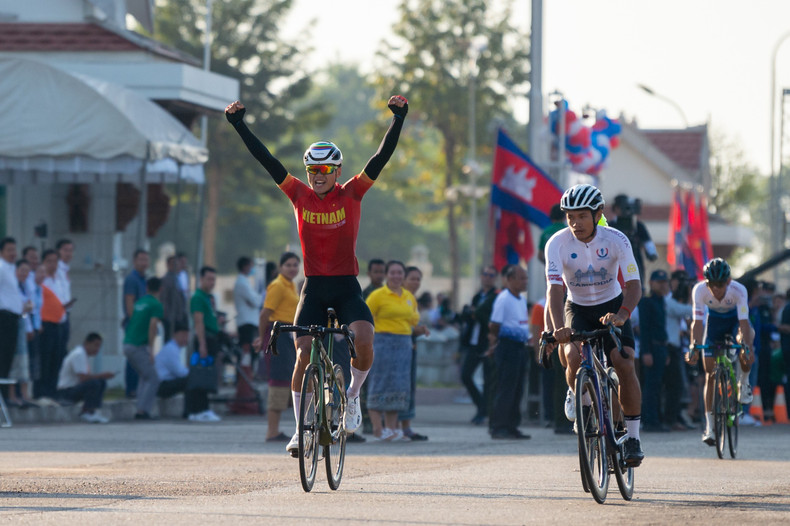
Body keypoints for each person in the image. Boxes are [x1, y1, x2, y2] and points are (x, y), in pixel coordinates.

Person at [226, 93, 408, 454]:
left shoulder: (352, 193)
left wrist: (398, 119)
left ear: (336, 171)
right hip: (313, 288)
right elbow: (268, 160)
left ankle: (353, 396)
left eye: (324, 171)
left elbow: (380, 158)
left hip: (345, 287)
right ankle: (298, 431)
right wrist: (239, 126)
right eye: (312, 171)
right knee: (303, 355)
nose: (317, 177)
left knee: (364, 339)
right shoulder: (298, 195)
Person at [543, 184, 644, 467]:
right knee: (572, 355)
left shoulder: (617, 239)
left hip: (612, 306)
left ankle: (633, 436)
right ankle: (579, 395)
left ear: (598, 213)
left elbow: (634, 285)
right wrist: (558, 328)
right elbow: (553, 290)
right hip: (577, 306)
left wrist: (623, 315)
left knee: (623, 361)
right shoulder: (557, 243)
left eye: (582, 216)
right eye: (570, 217)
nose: (576, 223)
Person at [686, 258, 755, 445]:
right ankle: (710, 428)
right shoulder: (699, 290)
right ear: (706, 282)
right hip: (713, 323)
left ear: (728, 281)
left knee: (746, 343)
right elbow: (697, 323)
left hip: (734, 321)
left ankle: (744, 381)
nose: (716, 289)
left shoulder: (739, 290)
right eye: (712, 284)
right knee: (710, 374)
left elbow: (743, 323)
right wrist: (693, 346)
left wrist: (746, 346)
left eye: (720, 284)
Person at [365, 260, 421, 441]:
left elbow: (413, 320)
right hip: (382, 342)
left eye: (399, 273)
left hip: (404, 344)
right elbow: (366, 317)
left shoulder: (408, 297)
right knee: (379, 382)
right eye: (393, 272)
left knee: (399, 385)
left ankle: (391, 428)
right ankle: (377, 428)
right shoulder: (378, 295)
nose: (396, 276)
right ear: (387, 275)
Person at [255, 252, 300, 442]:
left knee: (286, 380)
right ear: (281, 267)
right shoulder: (278, 285)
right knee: (278, 382)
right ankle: (271, 431)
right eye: (288, 265)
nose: (292, 268)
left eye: (295, 265)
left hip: (288, 334)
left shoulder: (291, 286)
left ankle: (277, 430)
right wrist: (260, 338)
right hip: (277, 334)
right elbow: (264, 314)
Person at [486, 264, 531, 440]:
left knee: (517, 389)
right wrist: (496, 342)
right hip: (507, 346)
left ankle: (512, 425)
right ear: (510, 279)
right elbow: (494, 324)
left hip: (519, 347)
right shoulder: (503, 298)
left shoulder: (519, 299)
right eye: (522, 278)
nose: (525, 281)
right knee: (506, 388)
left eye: (526, 278)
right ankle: (499, 426)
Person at [459, 264, 499, 426]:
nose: (488, 278)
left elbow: (490, 317)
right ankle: (481, 406)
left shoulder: (496, 296)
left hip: (487, 341)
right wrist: (469, 313)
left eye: (491, 275)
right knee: (466, 375)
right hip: (474, 342)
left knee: (488, 378)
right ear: (481, 277)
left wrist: (477, 313)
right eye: (485, 274)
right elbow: (471, 316)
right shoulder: (477, 296)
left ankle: (484, 412)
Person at [123, 277, 163, 420]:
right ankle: (142, 411)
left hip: (127, 343)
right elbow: (153, 326)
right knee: (153, 378)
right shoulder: (156, 305)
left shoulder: (139, 303)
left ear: (146, 288)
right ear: (160, 289)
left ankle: (141, 408)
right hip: (138, 346)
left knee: (144, 377)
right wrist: (152, 350)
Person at [397, 265, 430, 440]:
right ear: (403, 280)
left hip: (410, 346)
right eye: (412, 278)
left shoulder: (411, 299)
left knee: (409, 386)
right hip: (396, 347)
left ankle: (406, 426)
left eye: (418, 279)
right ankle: (394, 427)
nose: (416, 282)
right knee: (398, 385)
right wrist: (415, 330)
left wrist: (418, 329)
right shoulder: (398, 297)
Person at [56, 333, 116, 423]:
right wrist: (102, 375)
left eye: (99, 346)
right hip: (66, 392)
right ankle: (87, 412)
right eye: (95, 345)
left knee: (100, 382)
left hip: (74, 388)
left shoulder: (83, 355)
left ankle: (93, 411)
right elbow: (83, 378)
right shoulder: (79, 354)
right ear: (87, 343)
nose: (97, 349)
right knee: (95, 383)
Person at [638, 269, 671, 432]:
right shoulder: (646, 302)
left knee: (658, 386)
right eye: (659, 282)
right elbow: (645, 329)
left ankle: (656, 419)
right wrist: (646, 352)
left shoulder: (661, 301)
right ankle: (650, 421)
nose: (663, 285)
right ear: (651, 283)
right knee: (650, 387)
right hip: (652, 347)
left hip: (661, 347)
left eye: (665, 282)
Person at [189, 266, 222, 422]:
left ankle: (202, 409)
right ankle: (199, 409)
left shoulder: (209, 298)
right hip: (205, 339)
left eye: (213, 279)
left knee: (207, 374)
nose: (211, 282)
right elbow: (198, 322)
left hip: (212, 337)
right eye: (209, 279)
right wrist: (202, 344)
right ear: (201, 279)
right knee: (201, 375)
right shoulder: (198, 297)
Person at [610, 194, 658, 288]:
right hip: (614, 269)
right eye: (624, 207)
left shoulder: (638, 226)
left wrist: (651, 252)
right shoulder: (610, 226)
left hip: (635, 267)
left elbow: (649, 246)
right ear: (615, 208)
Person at [8, 259, 36, 408]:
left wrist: (30, 329)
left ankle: (25, 396)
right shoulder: (10, 286)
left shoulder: (26, 286)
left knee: (24, 362)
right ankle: (12, 396)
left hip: (23, 326)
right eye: (22, 270)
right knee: (14, 362)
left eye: (27, 271)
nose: (24, 274)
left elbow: (29, 309)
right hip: (12, 325)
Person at [123, 248, 150, 398]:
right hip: (135, 326)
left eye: (146, 260)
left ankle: (139, 388)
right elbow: (130, 305)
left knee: (141, 359)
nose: (144, 263)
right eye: (141, 260)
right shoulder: (131, 279)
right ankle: (131, 389)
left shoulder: (144, 280)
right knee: (133, 359)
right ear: (134, 261)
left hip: (143, 326)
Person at [0, 237, 23, 400]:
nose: (13, 253)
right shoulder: (1, 268)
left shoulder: (10, 269)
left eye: (14, 250)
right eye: (9, 250)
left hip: (13, 318)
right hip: (4, 318)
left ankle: (5, 396)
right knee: (3, 357)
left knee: (8, 358)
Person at [234, 256, 262, 361]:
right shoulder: (241, 283)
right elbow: (256, 301)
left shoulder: (245, 282)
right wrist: (258, 298)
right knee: (247, 352)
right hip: (246, 322)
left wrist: (256, 298)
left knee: (251, 353)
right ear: (245, 267)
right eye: (251, 266)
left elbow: (255, 300)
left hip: (251, 322)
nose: (252, 268)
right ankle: (244, 376)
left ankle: (248, 374)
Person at [160, 255, 188, 342]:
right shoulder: (166, 280)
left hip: (177, 318)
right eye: (173, 264)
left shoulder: (177, 278)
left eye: (177, 264)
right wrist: (167, 317)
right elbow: (164, 299)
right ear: (168, 265)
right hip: (170, 319)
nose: (176, 266)